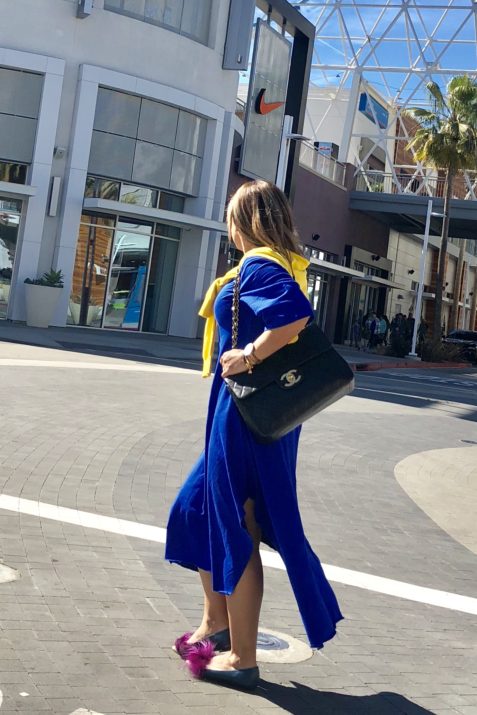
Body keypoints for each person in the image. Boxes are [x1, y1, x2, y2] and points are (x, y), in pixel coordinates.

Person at [165, 180, 343, 690]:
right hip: (247, 415)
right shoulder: (275, 262)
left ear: (242, 220)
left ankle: (243, 657)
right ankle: (217, 623)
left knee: (235, 524)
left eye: (229, 216)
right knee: (195, 509)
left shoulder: (260, 266)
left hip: (243, 420)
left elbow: (291, 318)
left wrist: (248, 356)